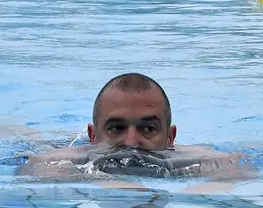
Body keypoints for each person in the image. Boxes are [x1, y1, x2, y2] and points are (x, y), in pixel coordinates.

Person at [19, 73, 249, 181]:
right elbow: (34, 168)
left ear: (170, 138)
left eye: (148, 129)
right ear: (92, 135)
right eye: (116, 128)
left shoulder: (194, 157)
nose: (131, 142)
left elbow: (236, 167)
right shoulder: (64, 158)